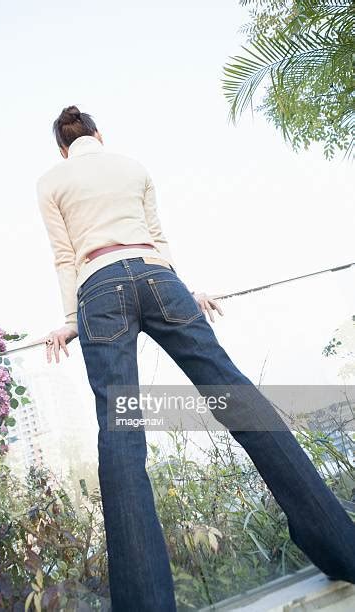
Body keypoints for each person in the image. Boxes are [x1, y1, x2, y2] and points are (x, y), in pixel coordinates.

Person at [36, 105, 355, 612]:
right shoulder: (133, 166)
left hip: (97, 287)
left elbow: (64, 256)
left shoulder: (51, 180)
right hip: (160, 278)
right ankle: (345, 550)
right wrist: (183, 293)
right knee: (242, 406)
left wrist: (72, 319)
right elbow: (157, 240)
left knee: (121, 442)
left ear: (63, 147)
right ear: (99, 134)